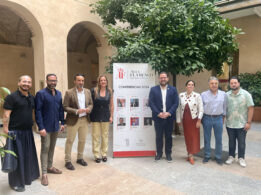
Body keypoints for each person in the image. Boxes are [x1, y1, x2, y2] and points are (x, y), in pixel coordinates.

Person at [2, 75, 40, 192]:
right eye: (24, 82)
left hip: (28, 132)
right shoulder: (11, 97)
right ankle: (15, 183)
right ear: (19, 83)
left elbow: (31, 113)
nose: (26, 84)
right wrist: (6, 129)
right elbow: (6, 114)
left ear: (31, 84)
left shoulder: (31, 98)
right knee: (16, 158)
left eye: (29, 82)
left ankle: (29, 176)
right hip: (15, 132)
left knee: (27, 155)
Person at [35, 74, 65, 186]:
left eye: (54, 80)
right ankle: (44, 174)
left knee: (52, 147)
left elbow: (60, 109)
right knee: (45, 148)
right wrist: (40, 127)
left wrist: (62, 122)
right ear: (47, 81)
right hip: (45, 127)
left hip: (55, 126)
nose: (53, 82)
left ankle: (50, 166)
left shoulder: (59, 94)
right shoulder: (41, 94)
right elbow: (37, 111)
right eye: (51, 80)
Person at [63, 73, 93, 170]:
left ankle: (80, 158)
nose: (81, 82)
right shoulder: (69, 92)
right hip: (73, 120)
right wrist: (76, 111)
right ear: (74, 81)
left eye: (82, 80)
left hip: (84, 120)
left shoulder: (88, 92)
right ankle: (67, 161)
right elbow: (65, 107)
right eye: (79, 80)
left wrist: (89, 108)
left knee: (82, 140)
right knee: (70, 141)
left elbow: (91, 104)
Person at [149, 72, 179, 162]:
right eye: (161, 78)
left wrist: (169, 113)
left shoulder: (173, 89)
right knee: (158, 137)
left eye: (164, 77)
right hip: (158, 118)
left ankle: (168, 154)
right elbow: (151, 103)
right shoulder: (153, 89)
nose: (163, 79)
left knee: (168, 136)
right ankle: (159, 153)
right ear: (159, 79)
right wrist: (158, 113)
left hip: (169, 118)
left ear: (167, 78)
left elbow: (176, 103)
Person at [225, 76, 254, 167]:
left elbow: (251, 108)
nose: (233, 84)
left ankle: (241, 158)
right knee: (231, 141)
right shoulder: (226, 95)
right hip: (230, 123)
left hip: (242, 124)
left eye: (235, 83)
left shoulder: (246, 94)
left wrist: (248, 122)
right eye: (231, 83)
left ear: (239, 83)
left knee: (241, 142)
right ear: (230, 84)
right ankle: (231, 156)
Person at [176, 80, 204, 165]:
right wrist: (178, 120)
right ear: (186, 86)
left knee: (194, 138)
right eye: (188, 84)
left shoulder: (197, 96)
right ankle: (189, 153)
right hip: (185, 120)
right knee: (187, 137)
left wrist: (199, 120)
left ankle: (191, 155)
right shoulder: (181, 95)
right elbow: (178, 108)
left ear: (194, 87)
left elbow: (201, 109)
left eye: (192, 85)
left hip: (194, 120)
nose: (190, 86)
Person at [201, 76, 227, 165]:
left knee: (218, 139)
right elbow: (201, 107)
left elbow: (225, 107)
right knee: (207, 138)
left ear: (218, 84)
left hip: (219, 118)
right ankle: (207, 155)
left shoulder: (223, 94)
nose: (214, 85)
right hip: (207, 118)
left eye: (215, 83)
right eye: (212, 83)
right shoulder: (203, 94)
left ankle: (218, 156)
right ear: (209, 84)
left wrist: (223, 117)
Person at [90, 75, 113, 163]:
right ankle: (96, 155)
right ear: (99, 82)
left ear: (106, 81)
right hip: (95, 115)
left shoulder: (110, 91)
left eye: (104, 80)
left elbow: (111, 105)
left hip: (106, 115)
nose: (103, 82)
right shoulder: (94, 91)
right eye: (101, 80)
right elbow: (90, 103)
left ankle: (104, 154)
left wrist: (111, 116)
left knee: (105, 136)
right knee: (95, 136)